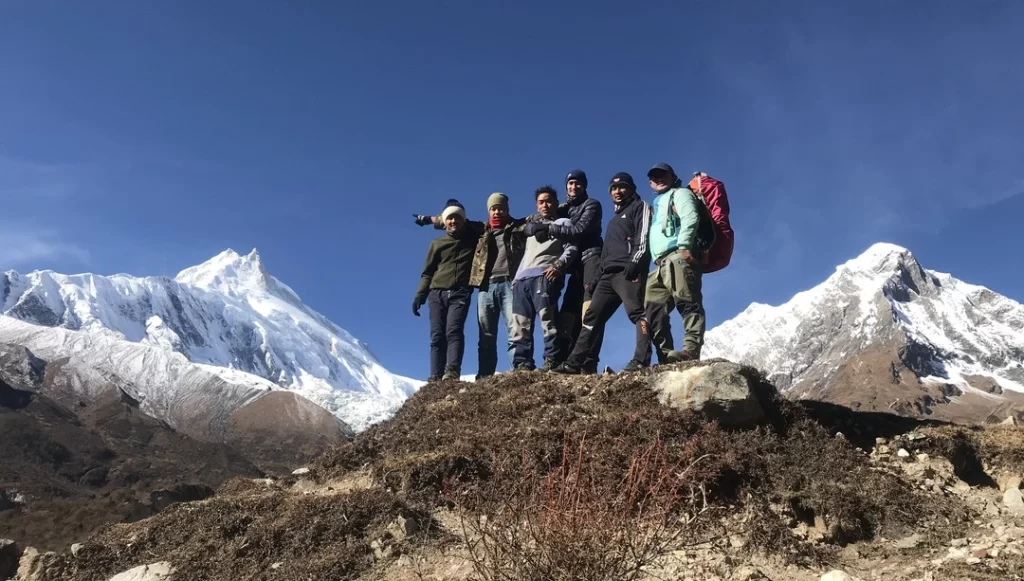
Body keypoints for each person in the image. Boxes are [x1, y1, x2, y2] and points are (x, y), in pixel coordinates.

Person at [413, 194, 527, 379]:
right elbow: (451, 221)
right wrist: (427, 220)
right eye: (493, 208)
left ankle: (519, 367)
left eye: (501, 208)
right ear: (489, 211)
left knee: (514, 328)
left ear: (507, 209)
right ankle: (482, 375)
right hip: (483, 286)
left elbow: (540, 217)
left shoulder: (513, 227)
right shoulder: (478, 230)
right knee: (483, 334)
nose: (497, 211)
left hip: (502, 284)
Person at [551, 172, 652, 374]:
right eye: (613, 188)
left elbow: (644, 234)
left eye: (622, 187)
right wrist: (596, 278)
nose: (617, 191)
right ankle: (574, 363)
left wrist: (635, 261)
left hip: (627, 270)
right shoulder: (614, 220)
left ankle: (641, 360)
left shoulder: (640, 207)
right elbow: (605, 252)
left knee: (637, 313)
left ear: (632, 188)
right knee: (591, 318)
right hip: (606, 275)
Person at [529, 169, 604, 361]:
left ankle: (589, 359)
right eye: (570, 183)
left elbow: (580, 230)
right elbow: (542, 217)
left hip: (591, 257)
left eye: (578, 183)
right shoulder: (563, 209)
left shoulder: (592, 205)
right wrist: (529, 226)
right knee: (569, 309)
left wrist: (546, 228)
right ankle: (564, 357)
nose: (574, 186)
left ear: (584, 185)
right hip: (573, 264)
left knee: (590, 306)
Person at [644, 162, 715, 362]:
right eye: (654, 177)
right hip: (660, 264)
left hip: (678, 256)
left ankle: (690, 350)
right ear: (650, 183)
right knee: (653, 310)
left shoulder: (680, 193)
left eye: (662, 175)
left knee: (688, 303)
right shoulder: (658, 203)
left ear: (672, 176)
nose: (658, 179)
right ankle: (665, 357)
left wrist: (684, 245)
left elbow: (691, 217)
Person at [510, 186, 579, 371]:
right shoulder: (532, 228)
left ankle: (552, 359)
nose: (545, 205)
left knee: (548, 319)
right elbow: (527, 255)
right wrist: (516, 278)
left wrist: (559, 265)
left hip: (545, 275)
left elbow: (571, 247)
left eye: (549, 201)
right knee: (520, 323)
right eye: (541, 202)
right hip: (523, 279)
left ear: (556, 203)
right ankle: (522, 363)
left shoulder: (563, 222)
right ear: (536, 205)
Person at [412, 199, 482, 381]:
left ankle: (451, 372)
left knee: (454, 330)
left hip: (460, 292)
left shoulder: (473, 237)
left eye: (458, 218)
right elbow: (427, 273)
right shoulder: (437, 244)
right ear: (445, 222)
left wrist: (429, 219)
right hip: (436, 293)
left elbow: (482, 225)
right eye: (449, 219)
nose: (453, 222)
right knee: (436, 336)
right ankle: (435, 376)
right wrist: (420, 295)